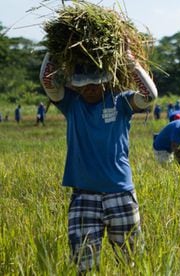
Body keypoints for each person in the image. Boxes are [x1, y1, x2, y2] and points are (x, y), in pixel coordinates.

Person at [39, 50, 158, 272]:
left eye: (95, 83)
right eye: (84, 84)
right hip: (84, 196)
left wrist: (130, 62)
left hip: (120, 194)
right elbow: (47, 82)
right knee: (84, 264)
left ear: (107, 79)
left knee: (131, 263)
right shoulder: (72, 105)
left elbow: (149, 96)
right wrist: (54, 52)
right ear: (75, 84)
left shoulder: (121, 102)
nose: (90, 88)